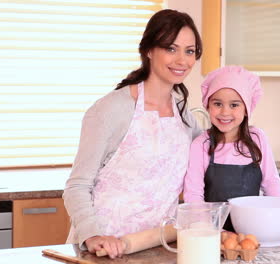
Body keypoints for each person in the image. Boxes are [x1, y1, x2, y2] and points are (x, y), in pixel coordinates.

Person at [63, 9, 202, 259]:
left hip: (156, 246)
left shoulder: (183, 112)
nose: (182, 60)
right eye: (171, 48)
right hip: (106, 248)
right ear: (148, 50)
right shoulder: (111, 109)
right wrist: (93, 235)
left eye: (189, 51)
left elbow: (210, 160)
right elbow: (77, 185)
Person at [183, 66, 280, 232]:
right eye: (217, 103)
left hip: (253, 228)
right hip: (213, 230)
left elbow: (271, 184)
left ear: (247, 109)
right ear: (208, 106)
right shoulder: (201, 144)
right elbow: (194, 196)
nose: (225, 112)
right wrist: (212, 232)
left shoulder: (257, 138)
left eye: (234, 104)